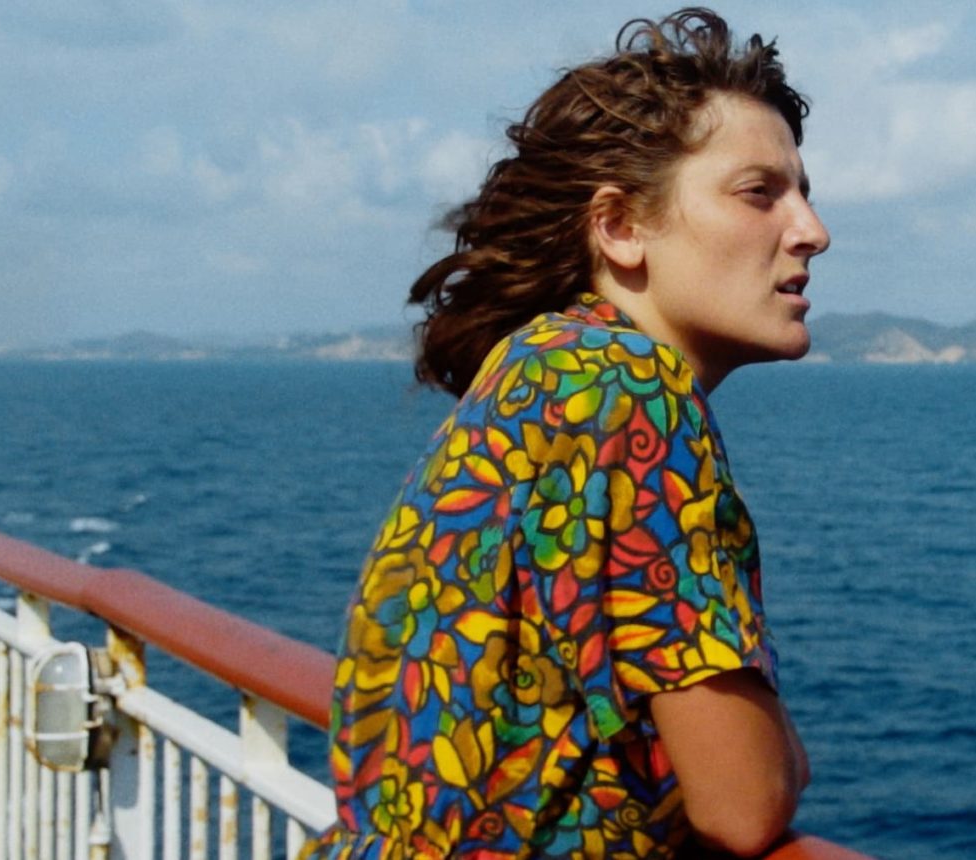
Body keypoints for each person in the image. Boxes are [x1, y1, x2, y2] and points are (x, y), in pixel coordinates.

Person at [300, 8, 829, 858]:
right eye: (759, 193)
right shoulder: (634, 388)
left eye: (803, 193)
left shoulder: (537, 368)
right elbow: (745, 801)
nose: (811, 231)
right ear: (619, 227)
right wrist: (781, 754)